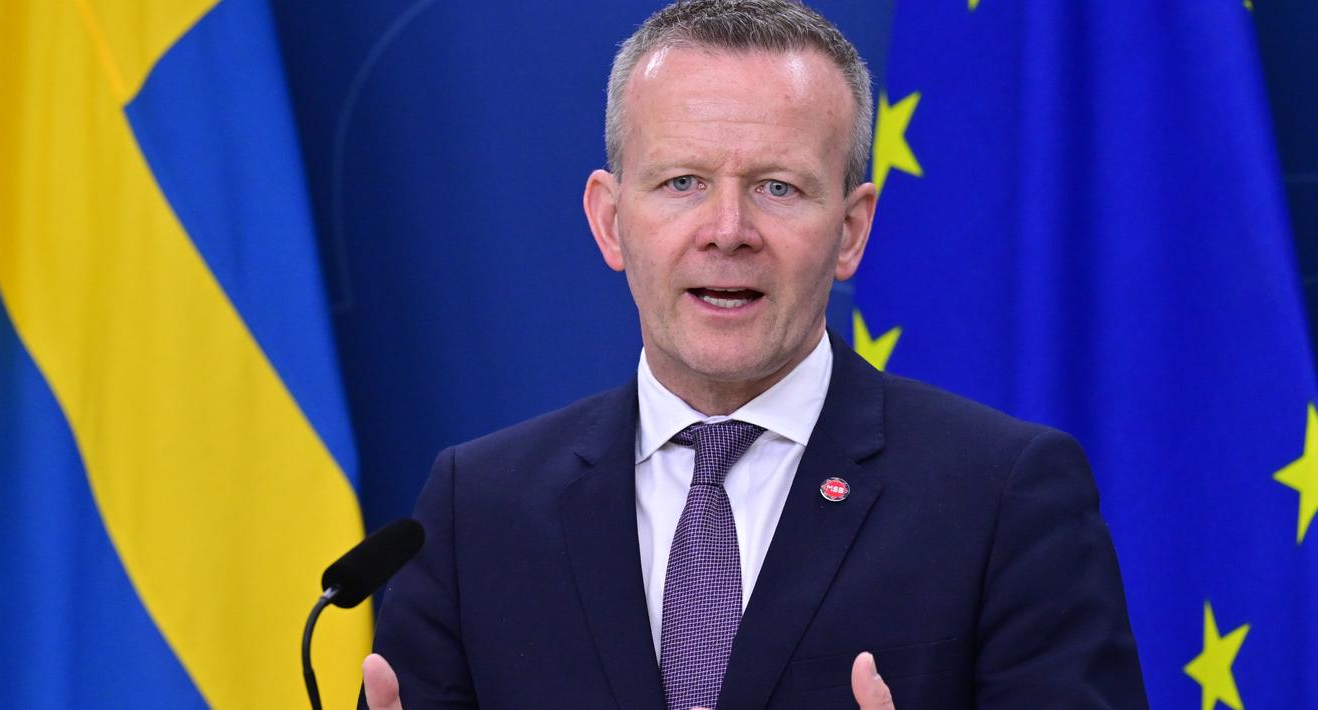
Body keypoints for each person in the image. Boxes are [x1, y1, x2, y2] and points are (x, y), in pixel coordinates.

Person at [362, 1, 1147, 708]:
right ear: (609, 221)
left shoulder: (1003, 499)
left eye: (778, 187)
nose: (728, 231)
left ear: (850, 231)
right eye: (682, 183)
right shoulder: (478, 511)